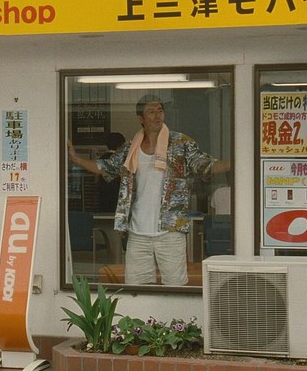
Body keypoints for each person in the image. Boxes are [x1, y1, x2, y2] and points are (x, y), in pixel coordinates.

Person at [68, 94, 230, 285]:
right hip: (137, 232)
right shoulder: (131, 148)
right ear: (141, 118)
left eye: (160, 111)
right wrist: (76, 159)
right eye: (151, 112)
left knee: (176, 285)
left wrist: (236, 161)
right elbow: (106, 167)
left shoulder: (181, 143)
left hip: (170, 231)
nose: (157, 115)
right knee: (136, 287)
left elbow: (205, 165)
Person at [97, 132, 126, 212]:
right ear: (120, 146)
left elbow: (96, 179)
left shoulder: (101, 158)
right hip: (117, 195)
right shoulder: (121, 159)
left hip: (103, 195)